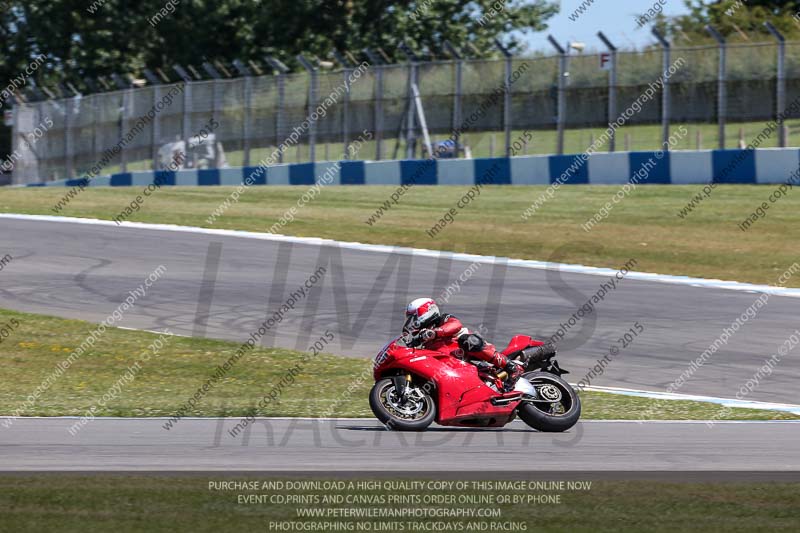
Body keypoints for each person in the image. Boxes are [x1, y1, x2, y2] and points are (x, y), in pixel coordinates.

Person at [403, 297, 524, 386]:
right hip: (457, 369)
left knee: (467, 340)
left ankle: (512, 367)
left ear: (426, 312)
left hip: (472, 353)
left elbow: (456, 324)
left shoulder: (442, 319)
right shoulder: (422, 338)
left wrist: (435, 332)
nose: (412, 322)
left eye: (414, 317)